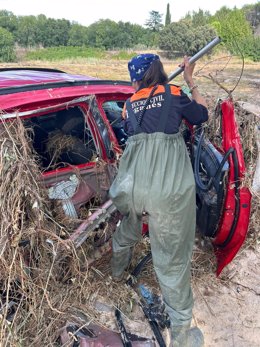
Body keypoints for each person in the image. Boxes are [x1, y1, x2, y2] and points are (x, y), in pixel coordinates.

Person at [109, 53, 208, 347]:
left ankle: (116, 275)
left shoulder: (128, 104)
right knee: (171, 263)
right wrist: (190, 80)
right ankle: (180, 337)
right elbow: (201, 115)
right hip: (168, 192)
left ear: (135, 78)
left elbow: (130, 132)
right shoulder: (175, 93)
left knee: (126, 231)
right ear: (160, 71)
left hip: (134, 188)